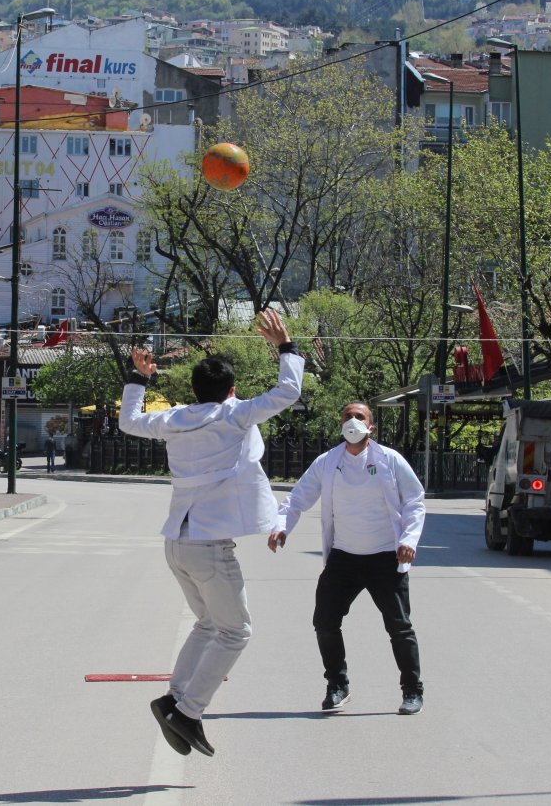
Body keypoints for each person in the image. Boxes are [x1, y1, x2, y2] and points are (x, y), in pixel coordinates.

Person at [119, 308, 304, 758]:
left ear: (194, 390)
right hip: (208, 548)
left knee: (207, 624)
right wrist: (286, 346)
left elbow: (128, 421)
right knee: (235, 631)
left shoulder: (174, 419)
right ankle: (188, 711)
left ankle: (174, 699)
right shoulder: (235, 416)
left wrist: (138, 379)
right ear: (231, 391)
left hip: (176, 544)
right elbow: (288, 391)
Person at [269, 401, 426, 716]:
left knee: (399, 627)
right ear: (340, 423)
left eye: (360, 417)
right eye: (347, 416)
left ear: (371, 427)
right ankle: (337, 686)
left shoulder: (390, 460)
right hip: (343, 558)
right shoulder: (328, 462)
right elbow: (298, 496)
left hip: (385, 558)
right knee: (325, 622)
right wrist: (281, 526)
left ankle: (412, 690)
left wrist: (408, 539)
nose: (352, 421)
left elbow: (414, 501)